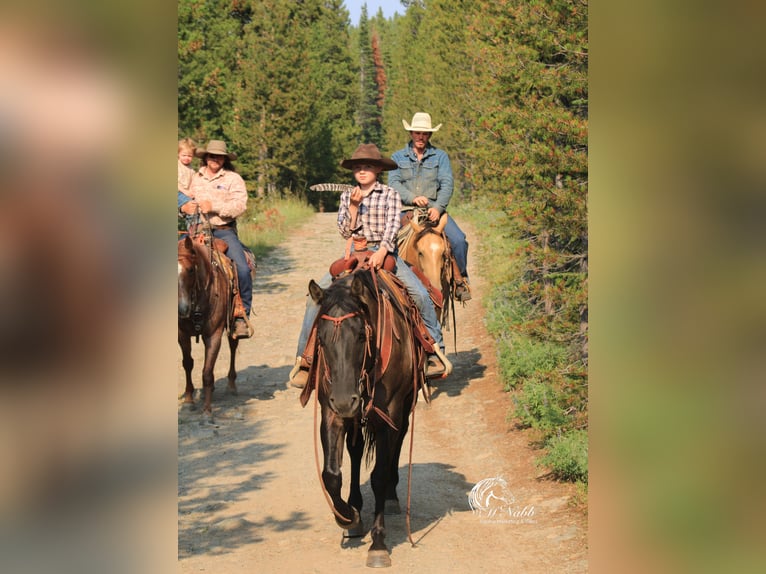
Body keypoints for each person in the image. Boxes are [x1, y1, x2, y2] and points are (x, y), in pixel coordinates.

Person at [289, 143, 449, 388]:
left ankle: (433, 350)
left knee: (419, 294)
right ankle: (305, 358)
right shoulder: (347, 196)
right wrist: (353, 209)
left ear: (377, 170)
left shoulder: (389, 194)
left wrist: (383, 250)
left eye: (368, 167)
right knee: (316, 297)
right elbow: (344, 231)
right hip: (356, 251)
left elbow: (393, 227)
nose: (362, 171)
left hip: (384, 250)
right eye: (357, 167)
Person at [388, 112, 472, 302]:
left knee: (458, 240)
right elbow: (393, 183)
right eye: (417, 132)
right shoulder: (398, 157)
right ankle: (389, 283)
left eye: (424, 133)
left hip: (434, 211)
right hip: (406, 211)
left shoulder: (440, 157)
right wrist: (413, 197)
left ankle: (460, 281)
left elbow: (447, 183)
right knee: (388, 242)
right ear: (411, 133)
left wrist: (438, 207)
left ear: (430, 136)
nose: (420, 137)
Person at [186, 139, 252, 339]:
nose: (215, 159)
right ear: (206, 157)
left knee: (241, 268)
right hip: (195, 230)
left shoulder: (233, 179)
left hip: (223, 230)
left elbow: (240, 206)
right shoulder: (193, 177)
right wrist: (183, 207)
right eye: (212, 155)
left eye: (219, 156)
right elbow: (182, 197)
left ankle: (241, 315)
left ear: (224, 159)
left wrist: (214, 206)